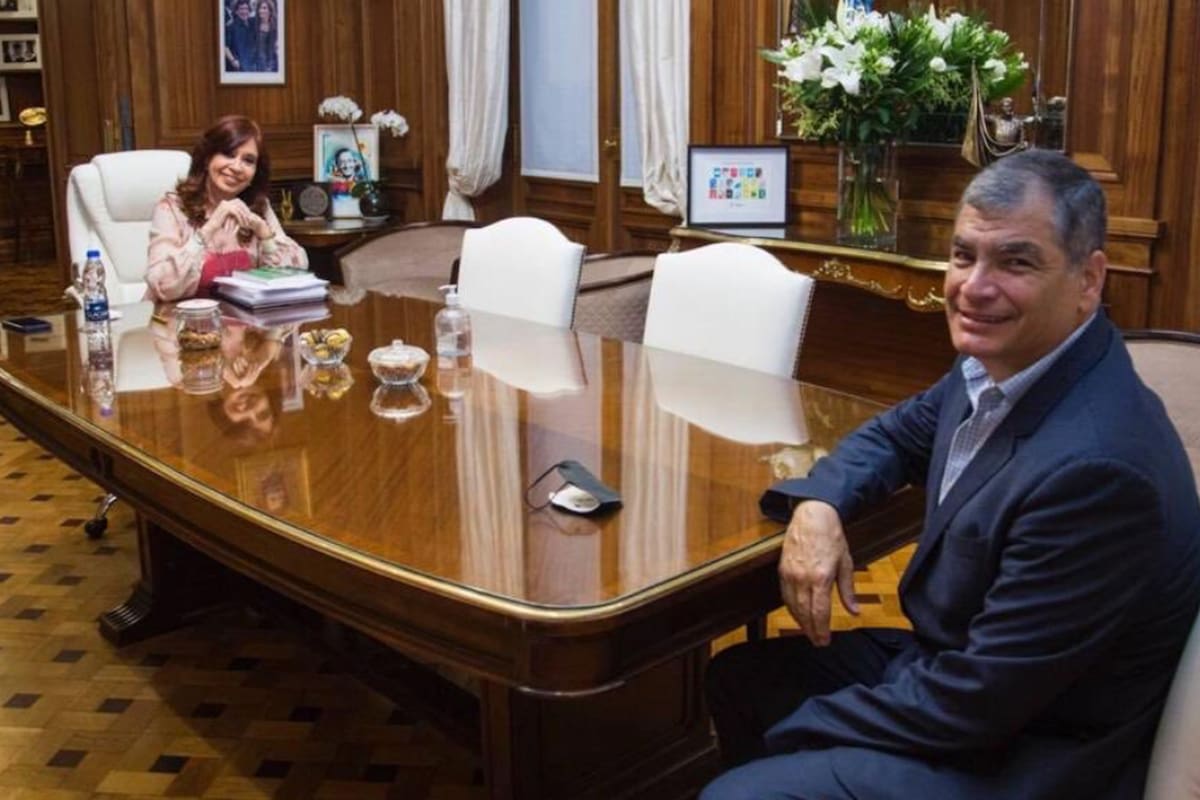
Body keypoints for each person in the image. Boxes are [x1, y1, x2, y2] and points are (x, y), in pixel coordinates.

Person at [702, 149, 1200, 800]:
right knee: (740, 678)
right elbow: (893, 435)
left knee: (739, 789)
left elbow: (974, 705)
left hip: (1028, 753)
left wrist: (803, 734)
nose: (974, 286)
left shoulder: (1099, 471)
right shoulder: (1010, 364)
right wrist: (819, 505)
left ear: (1089, 280)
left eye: (1016, 262)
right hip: (969, 675)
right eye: (964, 256)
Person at [146, 115, 308, 302]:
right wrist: (210, 228)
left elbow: (294, 276)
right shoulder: (172, 208)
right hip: (177, 324)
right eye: (229, 154)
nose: (237, 167)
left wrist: (265, 234)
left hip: (242, 325)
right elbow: (163, 286)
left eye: (248, 160)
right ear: (207, 158)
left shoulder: (258, 207)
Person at [223, 0, 255, 72]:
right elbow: (225, 46)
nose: (244, 11)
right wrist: (233, 60)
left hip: (251, 65)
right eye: (241, 9)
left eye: (246, 8)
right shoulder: (231, 26)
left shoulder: (251, 24)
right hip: (238, 66)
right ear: (236, 11)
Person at [247, 0, 278, 72]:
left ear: (270, 11)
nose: (261, 10)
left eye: (264, 8)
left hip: (271, 62)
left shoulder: (276, 25)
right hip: (255, 63)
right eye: (259, 8)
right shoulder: (252, 22)